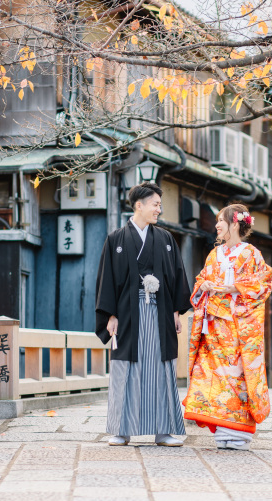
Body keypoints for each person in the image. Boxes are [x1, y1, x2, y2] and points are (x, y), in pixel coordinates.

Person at [95, 181, 192, 446]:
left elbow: (176, 275)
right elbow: (107, 280)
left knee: (161, 369)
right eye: (155, 204)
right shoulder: (116, 239)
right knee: (126, 369)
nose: (159, 209)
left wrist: (175, 311)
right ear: (139, 205)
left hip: (160, 313)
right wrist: (110, 315)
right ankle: (120, 429)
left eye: (160, 205)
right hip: (127, 313)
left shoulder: (165, 239)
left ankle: (163, 430)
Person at [183, 204, 272, 450]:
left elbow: (263, 284)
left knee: (237, 378)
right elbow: (201, 280)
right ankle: (221, 430)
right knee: (213, 378)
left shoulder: (251, 253)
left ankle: (239, 433)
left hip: (236, 329)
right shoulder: (214, 255)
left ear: (234, 223)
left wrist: (234, 288)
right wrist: (203, 287)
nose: (216, 226)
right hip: (212, 328)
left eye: (220, 221)